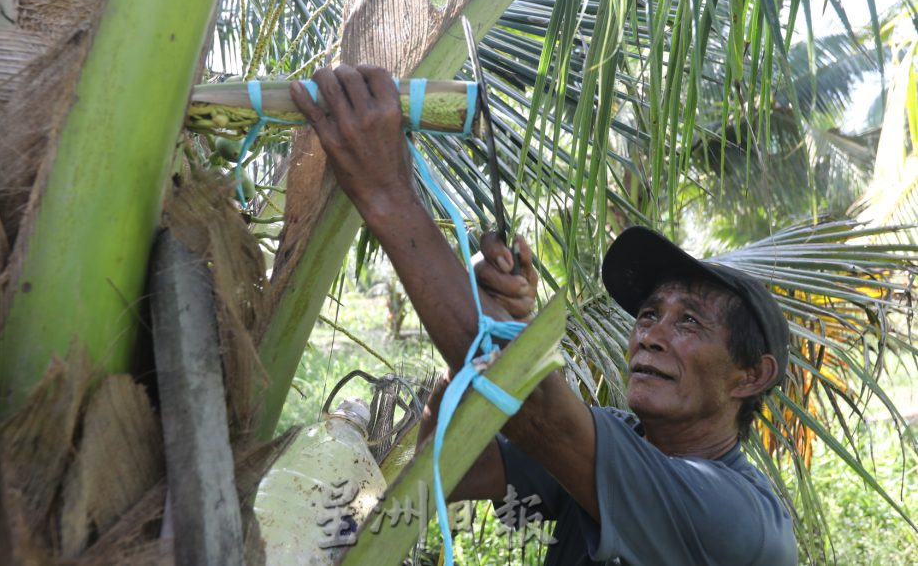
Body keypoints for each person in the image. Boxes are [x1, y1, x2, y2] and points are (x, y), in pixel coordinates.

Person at [289, 65, 798, 565]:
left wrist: (384, 192)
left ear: (751, 376)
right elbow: (454, 469)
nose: (651, 336)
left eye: (689, 322)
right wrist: (487, 335)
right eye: (648, 315)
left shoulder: (738, 520)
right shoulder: (621, 439)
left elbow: (540, 413)